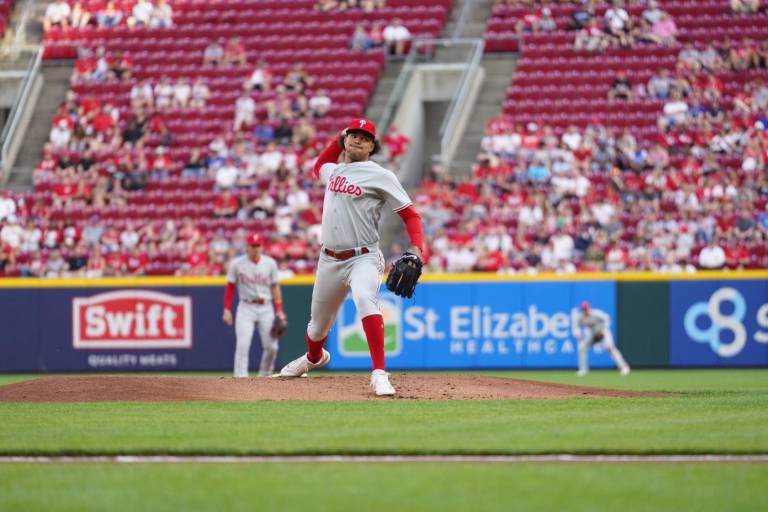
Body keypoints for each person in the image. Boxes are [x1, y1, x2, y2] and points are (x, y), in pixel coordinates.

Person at [278, 118, 424, 397]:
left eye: (364, 137)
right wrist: (337, 139)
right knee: (317, 326)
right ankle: (313, 358)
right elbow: (318, 166)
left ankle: (379, 372)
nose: (357, 139)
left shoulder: (380, 175)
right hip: (329, 260)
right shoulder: (333, 172)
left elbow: (410, 214)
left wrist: (417, 248)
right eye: (352, 135)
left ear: (371, 146)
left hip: (364, 257)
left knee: (363, 299)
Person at [223, 233, 287, 377]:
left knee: (272, 347)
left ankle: (264, 375)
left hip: (266, 307)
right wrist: (227, 309)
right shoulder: (237, 264)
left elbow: (275, 288)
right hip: (246, 307)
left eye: (258, 245)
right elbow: (230, 287)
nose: (256, 248)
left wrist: (279, 310)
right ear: (247, 247)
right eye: (253, 246)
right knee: (243, 345)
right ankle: (240, 378)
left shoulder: (270, 263)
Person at [577, 301, 630, 376]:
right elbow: (577, 327)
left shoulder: (595, 313)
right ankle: (583, 370)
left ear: (589, 308)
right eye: (583, 309)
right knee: (581, 347)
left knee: (610, 348)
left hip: (603, 332)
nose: (585, 310)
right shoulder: (581, 317)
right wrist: (578, 334)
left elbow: (607, 318)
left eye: (586, 308)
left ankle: (624, 367)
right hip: (592, 335)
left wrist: (603, 329)